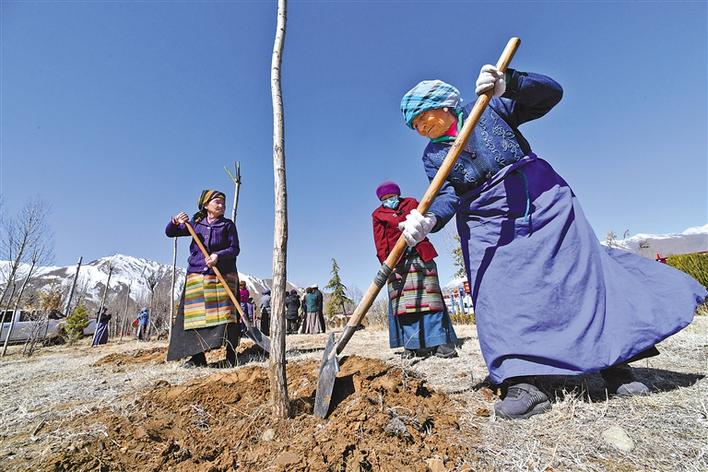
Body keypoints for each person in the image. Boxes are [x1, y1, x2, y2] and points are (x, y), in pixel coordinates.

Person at [398, 65, 707, 419]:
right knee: (497, 295)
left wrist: (510, 83)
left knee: (579, 279)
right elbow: (447, 193)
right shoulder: (432, 156)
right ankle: (522, 381)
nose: (420, 128)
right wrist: (430, 219)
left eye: (422, 118)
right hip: (486, 221)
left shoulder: (489, 107)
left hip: (540, 200)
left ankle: (615, 365)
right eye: (414, 126)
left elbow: (549, 95)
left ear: (444, 105)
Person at [372, 181, 458, 359]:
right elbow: (380, 242)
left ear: (398, 194)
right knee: (405, 306)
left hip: (421, 256)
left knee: (430, 301)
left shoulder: (411, 203)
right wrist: (387, 263)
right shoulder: (378, 215)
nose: (389, 200)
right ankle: (413, 345)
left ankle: (438, 342)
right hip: (397, 262)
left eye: (391, 197)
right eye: (385, 199)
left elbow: (425, 222)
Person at [165, 189, 241, 368]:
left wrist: (218, 255)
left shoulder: (227, 225)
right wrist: (175, 222)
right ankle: (198, 358)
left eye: (223, 203)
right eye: (217, 202)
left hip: (223, 275)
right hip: (197, 275)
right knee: (195, 318)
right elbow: (170, 232)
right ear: (206, 205)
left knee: (227, 317)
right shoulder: (196, 224)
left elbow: (235, 249)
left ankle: (231, 355)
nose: (221, 205)